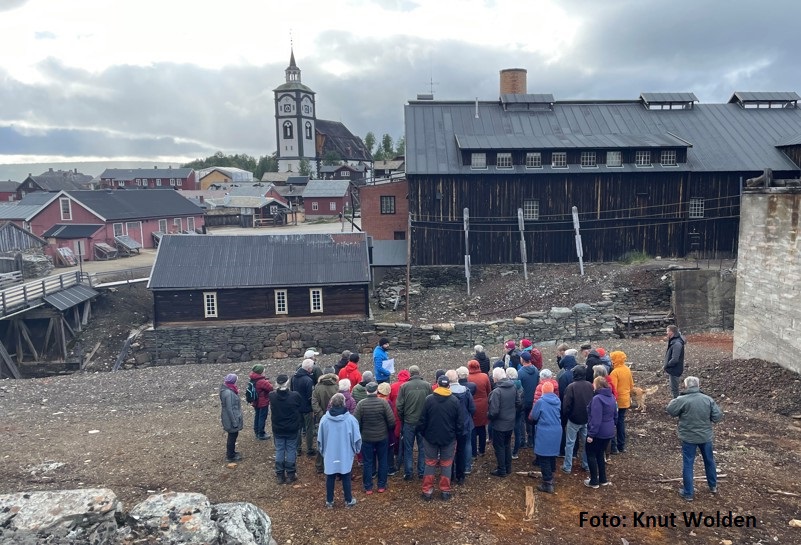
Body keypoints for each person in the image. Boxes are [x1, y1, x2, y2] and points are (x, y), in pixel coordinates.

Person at [666, 376, 723, 501]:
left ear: (686, 386)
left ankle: (688, 493)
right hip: (705, 437)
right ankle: (713, 486)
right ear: (698, 385)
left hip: (688, 437)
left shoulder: (682, 399)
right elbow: (718, 416)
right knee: (709, 461)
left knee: (688, 463)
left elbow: (670, 410)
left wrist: (677, 400)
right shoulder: (708, 399)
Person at [418, 374, 463, 501]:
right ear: (449, 386)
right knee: (446, 464)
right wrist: (456, 435)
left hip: (430, 437)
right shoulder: (454, 401)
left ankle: (427, 491)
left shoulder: (429, 400)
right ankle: (445, 491)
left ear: (437, 384)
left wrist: (424, 433)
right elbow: (459, 422)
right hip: (448, 437)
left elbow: (422, 420)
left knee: (430, 463)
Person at [318, 393, 361, 508]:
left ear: (331, 403)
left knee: (330, 476)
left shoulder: (324, 420)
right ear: (343, 403)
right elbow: (357, 438)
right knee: (346, 475)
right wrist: (356, 450)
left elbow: (320, 439)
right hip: (345, 453)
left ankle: (329, 501)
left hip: (330, 453)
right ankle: (348, 500)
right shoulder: (351, 420)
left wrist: (323, 452)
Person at [354, 382, 395, 494]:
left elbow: (355, 422)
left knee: (367, 462)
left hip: (366, 438)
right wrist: (386, 430)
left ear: (367, 391)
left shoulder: (361, 404)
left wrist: (362, 431)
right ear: (376, 391)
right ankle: (381, 485)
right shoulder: (383, 403)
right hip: (382, 437)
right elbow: (391, 421)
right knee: (383, 460)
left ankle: (368, 487)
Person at [396, 365, 429, 480]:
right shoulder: (427, 385)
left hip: (409, 421)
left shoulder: (404, 387)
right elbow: (430, 402)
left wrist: (402, 418)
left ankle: (408, 472)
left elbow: (399, 406)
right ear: (419, 373)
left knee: (408, 448)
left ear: (410, 374)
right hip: (422, 422)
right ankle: (421, 471)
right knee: (422, 447)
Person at [269, 374, 303, 484]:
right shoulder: (295, 395)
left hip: (278, 427)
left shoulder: (272, 396)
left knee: (279, 449)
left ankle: (280, 474)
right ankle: (290, 473)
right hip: (292, 427)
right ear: (287, 382)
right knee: (291, 449)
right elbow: (300, 407)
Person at [584, 377, 617, 489]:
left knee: (591, 454)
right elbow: (615, 415)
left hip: (598, 432)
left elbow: (596, 419)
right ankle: (603, 479)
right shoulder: (612, 397)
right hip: (609, 431)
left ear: (597, 385)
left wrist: (591, 434)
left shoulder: (597, 399)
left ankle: (594, 480)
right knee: (600, 454)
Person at [488, 367, 521, 477]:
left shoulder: (497, 392)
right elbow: (518, 403)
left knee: (499, 447)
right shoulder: (513, 387)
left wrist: (488, 416)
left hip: (499, 424)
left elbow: (494, 412)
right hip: (510, 422)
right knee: (507, 445)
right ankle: (508, 468)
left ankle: (501, 470)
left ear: (496, 378)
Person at [560, 365, 593, 474]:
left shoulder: (571, 387)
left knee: (570, 443)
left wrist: (567, 416)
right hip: (586, 419)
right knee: (586, 443)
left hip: (574, 419)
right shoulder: (590, 386)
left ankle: (567, 466)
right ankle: (586, 464)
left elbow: (566, 405)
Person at [530, 381, 561, 493]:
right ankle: (551, 476)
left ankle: (547, 483)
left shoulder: (541, 402)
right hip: (557, 430)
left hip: (545, 431)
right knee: (552, 455)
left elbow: (534, 416)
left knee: (544, 457)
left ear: (543, 390)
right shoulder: (557, 400)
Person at [447, 369, 474, 485]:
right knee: (462, 449)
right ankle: (461, 474)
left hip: (450, 426)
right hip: (464, 424)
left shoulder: (446, 393)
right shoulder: (466, 391)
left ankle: (450, 474)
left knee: (449, 450)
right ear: (457, 378)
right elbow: (472, 408)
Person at [313, 366, 341, 473]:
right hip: (335, 418)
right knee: (336, 442)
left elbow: (314, 403)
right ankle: (335, 465)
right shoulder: (337, 387)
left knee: (321, 440)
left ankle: (320, 466)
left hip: (322, 419)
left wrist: (321, 415)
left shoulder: (318, 387)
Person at [608, 351, 634, 453]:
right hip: (626, 400)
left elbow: (613, 388)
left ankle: (614, 447)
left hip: (617, 400)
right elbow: (631, 385)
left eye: (612, 358)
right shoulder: (627, 369)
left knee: (613, 423)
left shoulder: (615, 372)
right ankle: (621, 445)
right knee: (621, 422)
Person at [467, 359, 491, 458]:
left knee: (472, 429)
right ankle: (482, 450)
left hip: (472, 404)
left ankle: (473, 452)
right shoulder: (484, 376)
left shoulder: (468, 378)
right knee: (482, 428)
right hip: (483, 404)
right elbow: (489, 390)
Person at [293, 359, 316, 457]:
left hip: (297, 407)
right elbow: (310, 396)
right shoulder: (308, 380)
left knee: (298, 428)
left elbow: (292, 391)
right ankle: (309, 449)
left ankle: (298, 449)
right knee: (309, 428)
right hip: (307, 408)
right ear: (309, 368)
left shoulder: (293, 378)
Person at [456, 366, 477, 474]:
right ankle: (467, 467)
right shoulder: (470, 389)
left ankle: (456, 467)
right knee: (468, 443)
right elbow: (472, 408)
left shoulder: (451, 391)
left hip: (455, 422)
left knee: (455, 445)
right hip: (467, 420)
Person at [518, 351, 540, 449]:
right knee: (531, 420)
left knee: (522, 421)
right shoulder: (536, 370)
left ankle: (523, 441)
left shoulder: (520, 372)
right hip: (534, 399)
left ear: (522, 359)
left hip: (523, 400)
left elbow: (519, 388)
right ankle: (531, 440)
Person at [220, 373, 244, 462]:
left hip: (228, 417)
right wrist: (234, 422)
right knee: (232, 436)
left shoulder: (226, 390)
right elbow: (230, 409)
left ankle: (232, 452)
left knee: (233, 436)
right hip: (231, 418)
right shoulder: (229, 393)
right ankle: (230, 456)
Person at [248, 364, 273, 440]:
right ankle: (261, 434)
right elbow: (271, 388)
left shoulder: (253, 378)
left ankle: (256, 431)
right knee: (262, 417)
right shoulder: (261, 381)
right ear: (261, 372)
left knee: (257, 416)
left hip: (255, 401)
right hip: (262, 402)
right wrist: (268, 381)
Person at [506, 367, 525, 460]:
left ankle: (507, 451)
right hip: (519, 411)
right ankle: (515, 452)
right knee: (517, 433)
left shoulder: (509, 386)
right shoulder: (520, 385)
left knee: (508, 432)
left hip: (509, 412)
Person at [663, 325, 686, 399]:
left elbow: (675, 359)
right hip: (673, 369)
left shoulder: (677, 343)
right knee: (674, 388)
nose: (666, 333)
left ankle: (677, 404)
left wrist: (667, 365)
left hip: (675, 369)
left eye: (667, 331)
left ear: (671, 332)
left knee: (675, 389)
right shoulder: (674, 341)